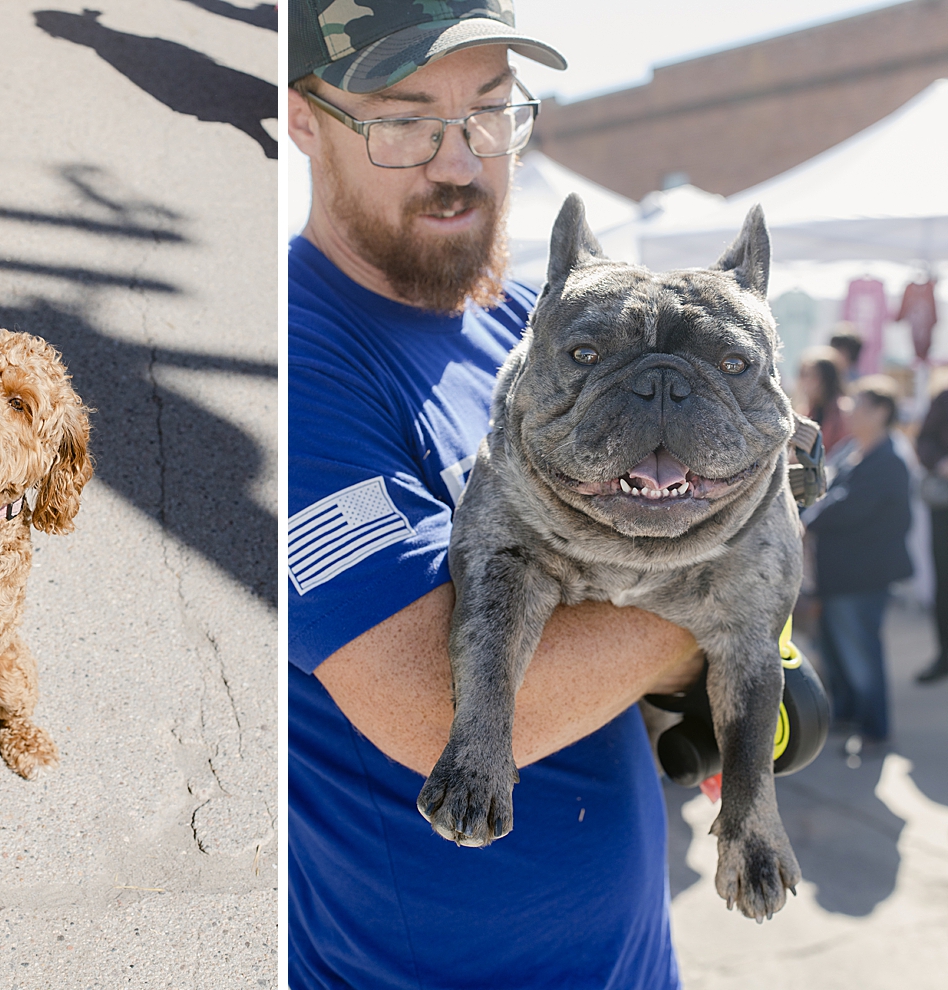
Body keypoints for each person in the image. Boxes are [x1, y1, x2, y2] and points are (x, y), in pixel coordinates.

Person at [286, 2, 699, 985]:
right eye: (401, 120)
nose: (460, 161)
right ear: (303, 120)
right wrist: (715, 605)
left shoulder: (538, 318)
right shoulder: (303, 360)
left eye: (488, 111)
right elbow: (441, 709)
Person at [803, 376, 914, 746]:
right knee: (837, 651)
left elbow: (845, 507)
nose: (850, 411)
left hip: (864, 576)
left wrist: (807, 520)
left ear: (882, 411)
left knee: (860, 654)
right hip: (839, 575)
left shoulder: (889, 461)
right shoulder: (853, 450)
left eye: (860, 404)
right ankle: (848, 716)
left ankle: (874, 729)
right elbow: (823, 489)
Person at [914, 369, 948, 684]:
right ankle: (944, 655)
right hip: (945, 506)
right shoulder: (944, 398)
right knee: (945, 583)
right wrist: (940, 462)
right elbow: (923, 441)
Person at [797, 345, 854, 457]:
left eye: (810, 376)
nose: (804, 382)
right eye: (802, 375)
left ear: (826, 379)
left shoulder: (845, 413)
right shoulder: (804, 413)